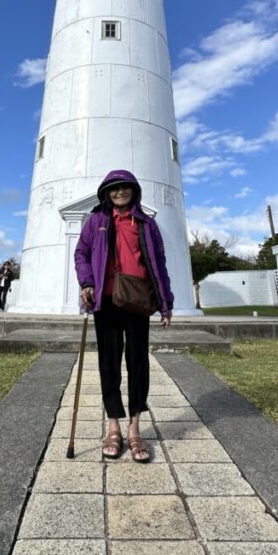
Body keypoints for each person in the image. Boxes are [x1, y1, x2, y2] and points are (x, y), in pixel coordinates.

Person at [74, 169, 173, 462]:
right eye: (114, 188)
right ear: (106, 193)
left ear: (134, 191)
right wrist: (87, 282)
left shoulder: (146, 223)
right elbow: (81, 254)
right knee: (109, 362)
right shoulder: (96, 221)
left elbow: (159, 264)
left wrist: (165, 303)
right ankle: (113, 426)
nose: (119, 192)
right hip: (105, 299)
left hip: (137, 299)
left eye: (125, 187)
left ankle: (135, 428)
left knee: (138, 362)